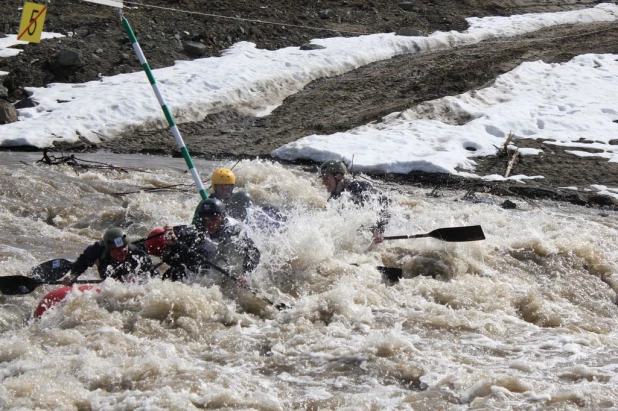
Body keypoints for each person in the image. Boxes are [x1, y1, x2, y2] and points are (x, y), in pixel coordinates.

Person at [319, 159, 390, 243]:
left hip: (386, 222)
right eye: (322, 178)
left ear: (339, 176)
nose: (323, 182)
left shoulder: (359, 187)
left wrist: (379, 231)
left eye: (326, 178)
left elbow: (384, 204)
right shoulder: (332, 200)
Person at [62, 227, 160, 285]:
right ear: (109, 249)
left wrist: (141, 281)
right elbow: (82, 262)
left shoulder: (138, 254)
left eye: (124, 246)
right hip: (107, 280)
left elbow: (154, 275)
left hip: (128, 283)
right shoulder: (97, 249)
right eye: (117, 249)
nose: (122, 251)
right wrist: (74, 275)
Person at [195, 198, 260, 283]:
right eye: (205, 219)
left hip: (238, 256)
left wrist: (245, 275)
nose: (209, 223)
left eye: (214, 219)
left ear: (222, 217)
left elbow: (254, 252)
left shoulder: (235, 231)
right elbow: (183, 231)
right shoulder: (201, 227)